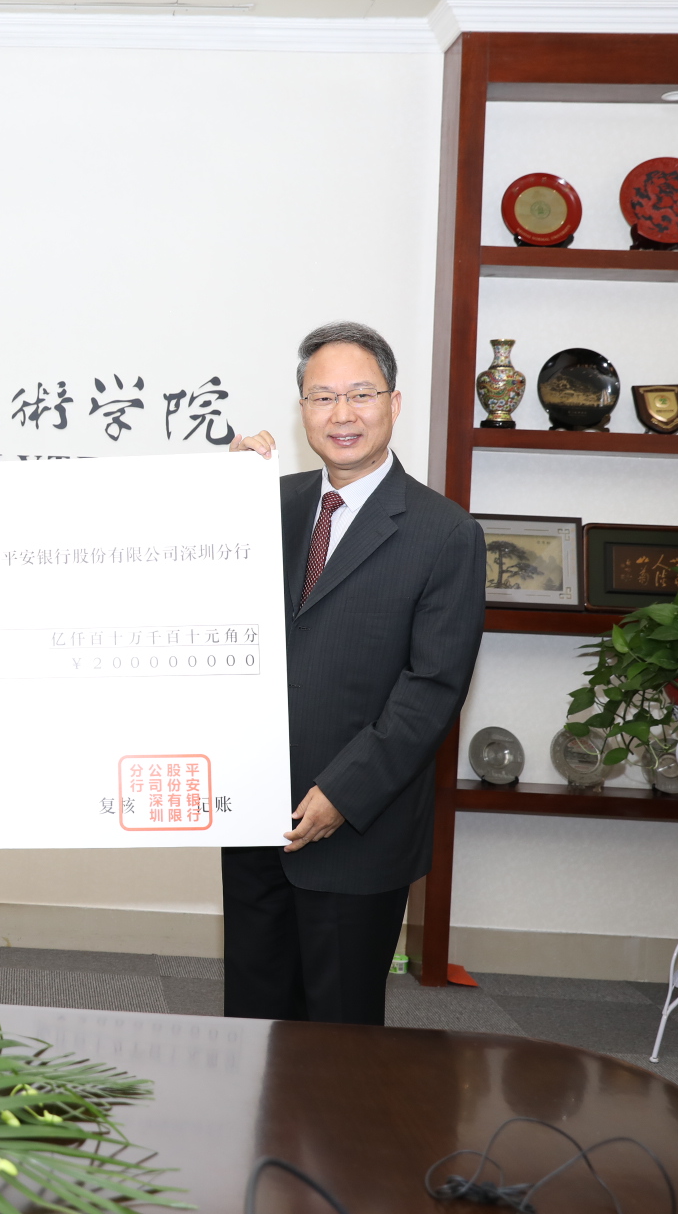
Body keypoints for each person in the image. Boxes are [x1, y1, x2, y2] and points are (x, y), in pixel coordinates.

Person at [226, 320, 485, 1024]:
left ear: (393, 404)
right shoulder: (262, 505)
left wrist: (342, 793)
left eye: (360, 394)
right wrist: (219, 495)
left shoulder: (445, 533)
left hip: (357, 827)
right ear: (301, 410)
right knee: (250, 1024)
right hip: (255, 815)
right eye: (322, 397)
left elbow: (432, 688)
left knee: (340, 1038)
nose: (341, 414)